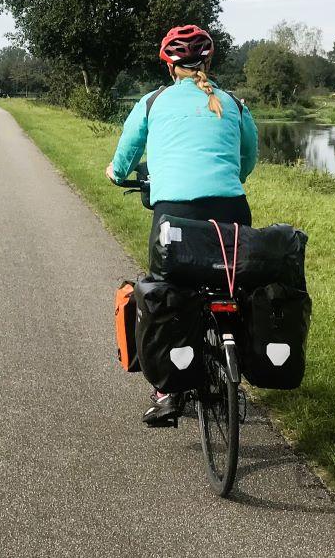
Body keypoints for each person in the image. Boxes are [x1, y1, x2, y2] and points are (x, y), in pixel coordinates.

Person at [104, 24, 258, 426]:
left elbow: (126, 155)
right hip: (232, 210)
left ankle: (169, 392)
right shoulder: (233, 104)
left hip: (175, 216)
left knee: (168, 294)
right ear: (208, 61)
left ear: (169, 67)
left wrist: (117, 173)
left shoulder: (152, 104)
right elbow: (247, 162)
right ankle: (235, 359)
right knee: (232, 287)